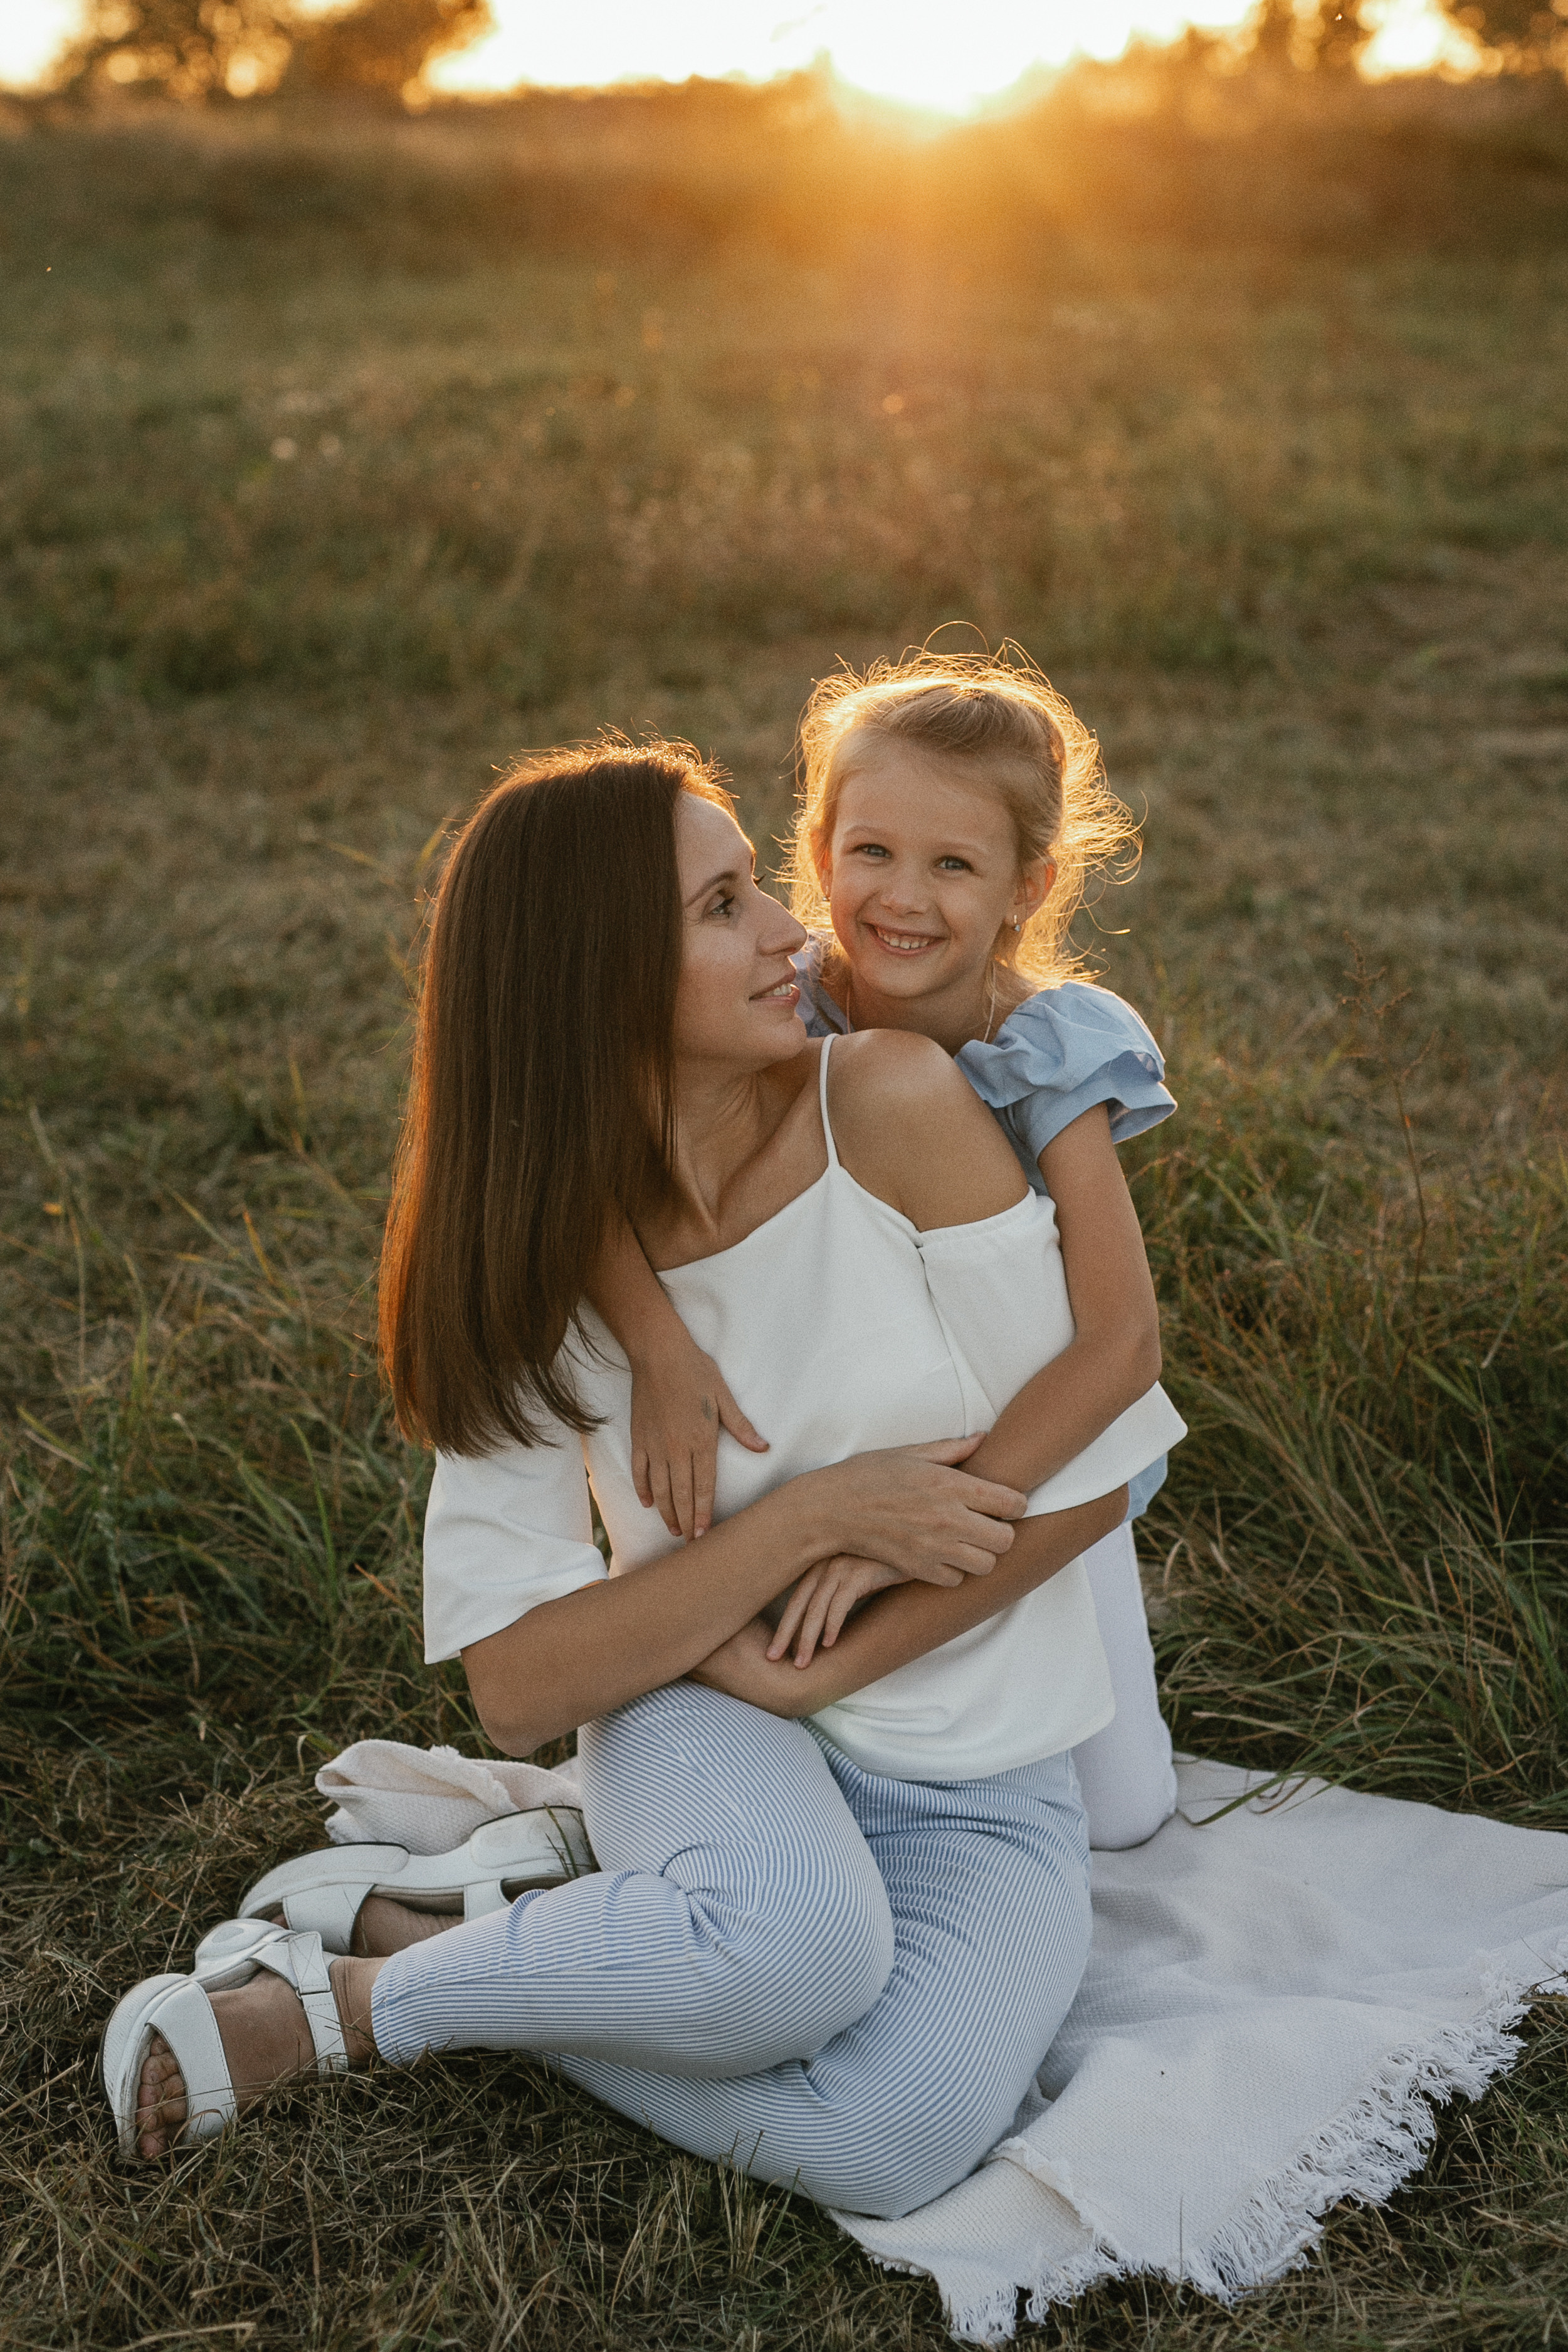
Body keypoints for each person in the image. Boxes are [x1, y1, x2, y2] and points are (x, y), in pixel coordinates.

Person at [107, 744, 1181, 2216]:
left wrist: (834, 1665)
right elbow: (521, 1684)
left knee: (889, 2143)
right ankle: (337, 2014)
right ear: (595, 974)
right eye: (728, 905)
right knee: (799, 1956)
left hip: (978, 1783)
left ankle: (463, 1947)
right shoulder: (542, 1263)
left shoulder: (893, 1102)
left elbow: (1099, 1479)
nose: (800, 931)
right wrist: (814, 1517)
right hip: (702, 1719)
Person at [591, 653, 1182, 1848]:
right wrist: (656, 1344)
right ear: (817, 851)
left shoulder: (1047, 1046)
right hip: (864, 1410)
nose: (902, 898)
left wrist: (925, 1536)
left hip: (1044, 1443)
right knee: (843, 1721)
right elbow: (585, 1174)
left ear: (1028, 884)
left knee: (1124, 1815)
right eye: (871, 852)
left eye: (953, 865)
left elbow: (1119, 1346)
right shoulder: (778, 1001)